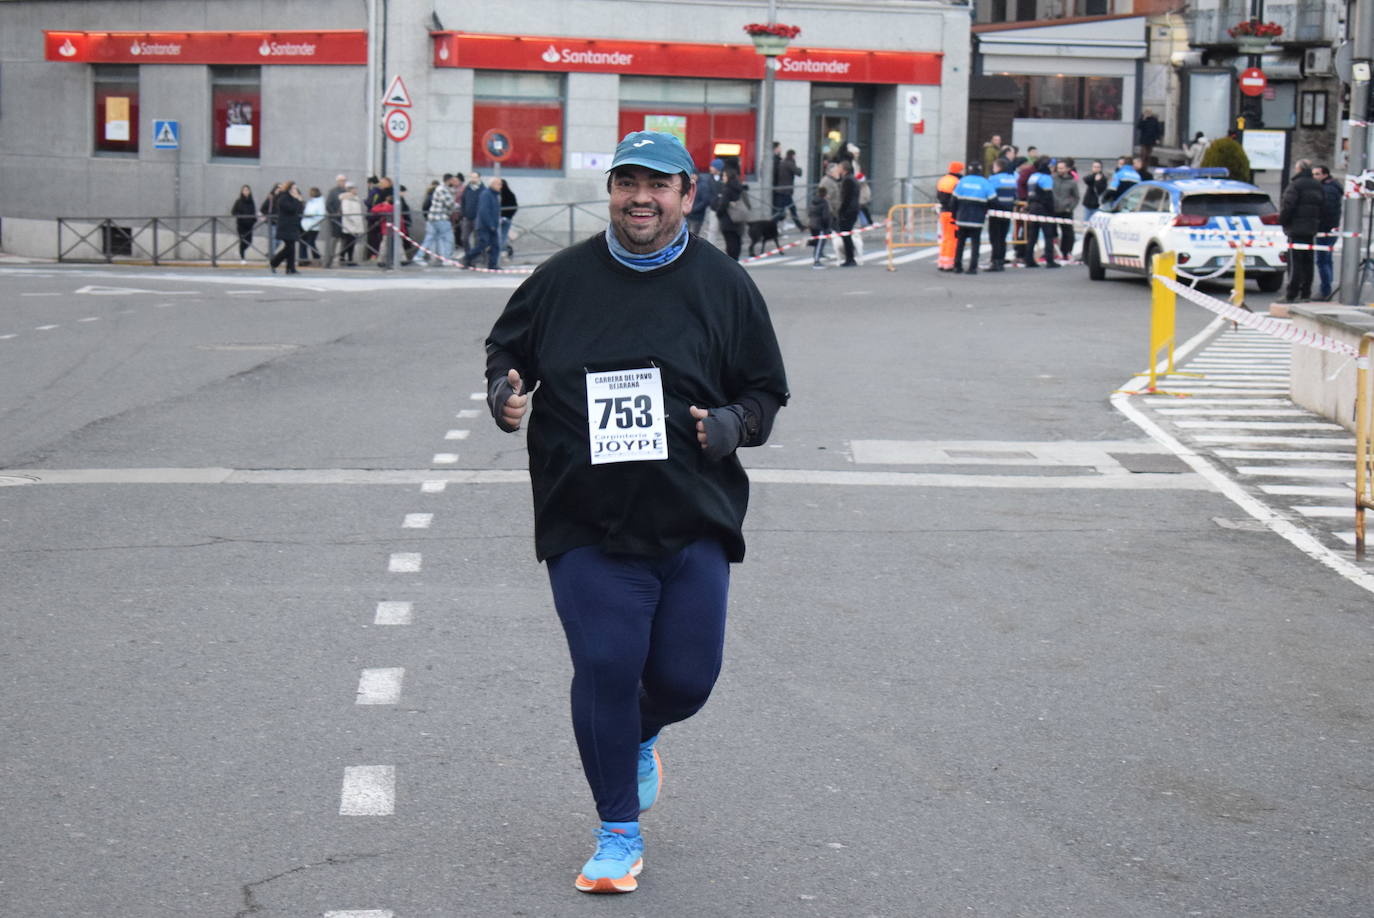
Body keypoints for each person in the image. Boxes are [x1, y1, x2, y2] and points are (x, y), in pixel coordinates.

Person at [483, 129, 789, 895]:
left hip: (692, 515)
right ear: (612, 192)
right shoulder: (560, 281)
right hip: (585, 519)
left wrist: (733, 425)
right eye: (627, 183)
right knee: (607, 667)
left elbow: (764, 392)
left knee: (687, 681)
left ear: (688, 194)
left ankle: (641, 732)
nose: (640, 198)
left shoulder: (723, 285)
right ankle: (617, 830)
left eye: (658, 184)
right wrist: (503, 394)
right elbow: (507, 353)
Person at [1279, 158, 1326, 303]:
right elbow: (1323, 207)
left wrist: (1283, 222)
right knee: (1308, 262)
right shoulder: (1317, 185)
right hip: (1311, 229)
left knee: (1295, 263)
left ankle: (1291, 294)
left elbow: (1288, 206)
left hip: (1296, 228)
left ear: (1299, 169)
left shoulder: (1295, 185)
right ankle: (1306, 293)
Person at [952, 163, 995, 275]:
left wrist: (954, 215)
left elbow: (954, 200)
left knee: (960, 243)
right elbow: (993, 200)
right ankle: (972, 267)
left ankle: (957, 266)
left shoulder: (962, 181)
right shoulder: (985, 182)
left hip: (962, 217)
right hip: (977, 219)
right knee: (975, 243)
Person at [1313, 164, 1342, 300]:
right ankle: (1326, 289)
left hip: (1325, 229)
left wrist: (1320, 225)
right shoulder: (1329, 187)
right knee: (1326, 260)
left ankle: (1325, 290)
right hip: (1330, 228)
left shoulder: (1328, 189)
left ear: (1325, 175)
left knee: (1322, 261)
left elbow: (1327, 210)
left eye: (1317, 174)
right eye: (1313, 174)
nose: (1314, 177)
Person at [1023, 158, 1058, 268]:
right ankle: (1050, 260)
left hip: (1033, 207)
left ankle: (1029, 259)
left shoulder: (1033, 176)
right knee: (1048, 235)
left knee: (1032, 235)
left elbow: (1029, 194)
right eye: (1051, 167)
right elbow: (1048, 197)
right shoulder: (1046, 178)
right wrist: (1052, 211)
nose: (1053, 169)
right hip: (1044, 209)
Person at [464, 176, 502, 270]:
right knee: (482, 245)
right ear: (492, 184)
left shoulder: (494, 195)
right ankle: (467, 258)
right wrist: (490, 224)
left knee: (495, 245)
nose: (500, 186)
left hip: (492, 225)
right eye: (499, 184)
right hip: (484, 225)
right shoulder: (486, 194)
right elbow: (484, 211)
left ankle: (492, 264)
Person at [987, 158, 1017, 271]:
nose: (993, 168)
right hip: (1008, 210)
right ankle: (1001, 260)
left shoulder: (994, 179)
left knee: (995, 237)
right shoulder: (1012, 178)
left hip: (996, 211)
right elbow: (1015, 195)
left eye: (994, 166)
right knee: (1003, 236)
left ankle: (995, 261)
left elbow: (989, 194)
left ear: (998, 167)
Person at [421, 173, 458, 265]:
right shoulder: (442, 189)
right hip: (440, 217)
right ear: (449, 180)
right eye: (453, 180)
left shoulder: (441, 189)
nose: (454, 182)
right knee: (448, 239)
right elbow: (450, 204)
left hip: (433, 218)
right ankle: (445, 259)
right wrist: (460, 206)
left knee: (434, 239)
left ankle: (433, 258)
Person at [267, 181, 303, 274]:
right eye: (294, 188)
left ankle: (290, 268)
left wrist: (299, 201)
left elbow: (300, 209)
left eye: (296, 188)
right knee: (289, 248)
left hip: (293, 226)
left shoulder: (293, 198)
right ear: (289, 189)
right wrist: (297, 200)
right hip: (285, 226)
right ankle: (274, 262)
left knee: (291, 247)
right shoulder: (283, 198)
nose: (295, 190)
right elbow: (291, 209)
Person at [935, 161, 962, 271]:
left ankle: (942, 262)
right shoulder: (957, 181)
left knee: (945, 238)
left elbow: (939, 195)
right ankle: (949, 263)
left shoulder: (943, 180)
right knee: (953, 239)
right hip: (952, 213)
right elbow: (957, 199)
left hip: (943, 212)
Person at [714, 164, 745, 261]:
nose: (723, 178)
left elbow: (723, 204)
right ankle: (736, 261)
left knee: (730, 243)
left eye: (724, 176)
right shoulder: (739, 188)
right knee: (737, 241)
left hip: (728, 220)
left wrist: (718, 213)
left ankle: (732, 263)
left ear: (729, 177)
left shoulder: (727, 189)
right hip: (739, 218)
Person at [1052, 160, 1080, 261]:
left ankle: (1066, 252)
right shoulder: (1052, 179)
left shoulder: (1072, 182)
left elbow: (1076, 197)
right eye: (1058, 168)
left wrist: (1070, 208)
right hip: (1053, 210)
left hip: (1066, 211)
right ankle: (1052, 253)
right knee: (1051, 232)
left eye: (1062, 168)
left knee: (1068, 233)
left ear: (1067, 169)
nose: (1060, 170)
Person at [835, 159, 861, 267]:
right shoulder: (852, 178)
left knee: (846, 235)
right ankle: (850, 257)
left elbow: (846, 198)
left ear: (843, 169)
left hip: (848, 211)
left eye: (839, 167)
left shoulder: (847, 180)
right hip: (853, 209)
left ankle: (850, 258)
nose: (837, 169)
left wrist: (841, 211)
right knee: (846, 235)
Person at [321, 174, 348, 268]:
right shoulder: (333, 192)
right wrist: (334, 214)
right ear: (338, 181)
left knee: (345, 240)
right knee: (334, 240)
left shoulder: (347, 191)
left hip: (346, 220)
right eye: (341, 180)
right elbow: (328, 205)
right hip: (336, 220)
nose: (343, 182)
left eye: (344, 180)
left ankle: (342, 259)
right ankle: (329, 261)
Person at [686, 161, 716, 236]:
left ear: (696, 175)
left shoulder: (703, 185)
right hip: (688, 215)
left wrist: (694, 209)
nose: (691, 177)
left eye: (692, 175)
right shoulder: (689, 184)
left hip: (697, 216)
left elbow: (705, 201)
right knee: (686, 233)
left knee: (694, 234)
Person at [338, 182, 364, 266]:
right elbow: (346, 212)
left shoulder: (355, 198)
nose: (356, 190)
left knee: (351, 242)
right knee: (349, 242)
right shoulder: (346, 199)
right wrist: (354, 221)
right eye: (354, 188)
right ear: (350, 190)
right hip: (350, 225)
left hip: (355, 225)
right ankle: (346, 259)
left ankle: (347, 258)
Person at [808, 183, 833, 269]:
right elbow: (825, 216)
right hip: (820, 225)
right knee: (819, 243)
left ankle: (816, 256)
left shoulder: (813, 202)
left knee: (816, 242)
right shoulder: (824, 203)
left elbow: (809, 213)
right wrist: (827, 226)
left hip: (812, 224)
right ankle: (816, 261)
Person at [459, 171, 483, 254]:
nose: (473, 179)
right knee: (464, 238)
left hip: (478, 218)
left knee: (477, 239)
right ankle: (468, 254)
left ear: (479, 178)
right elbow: (463, 201)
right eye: (472, 177)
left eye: (475, 177)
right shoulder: (467, 188)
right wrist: (463, 213)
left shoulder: (483, 190)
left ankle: (476, 255)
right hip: (467, 218)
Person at [299, 187, 325, 265]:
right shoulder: (311, 201)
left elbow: (321, 215)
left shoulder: (320, 202)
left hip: (313, 226)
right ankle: (303, 260)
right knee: (303, 243)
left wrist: (311, 216)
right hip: (305, 225)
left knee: (310, 243)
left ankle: (317, 259)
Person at [231, 185, 256, 263]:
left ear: (249, 191)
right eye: (244, 190)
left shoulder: (251, 201)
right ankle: (242, 258)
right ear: (242, 191)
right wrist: (240, 216)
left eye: (247, 190)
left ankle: (240, 251)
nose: (246, 191)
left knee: (249, 241)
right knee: (242, 241)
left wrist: (254, 220)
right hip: (241, 225)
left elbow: (253, 212)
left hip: (249, 225)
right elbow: (233, 212)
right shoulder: (238, 201)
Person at [497, 177, 519, 259]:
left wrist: (506, 217)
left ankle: (504, 252)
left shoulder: (509, 194)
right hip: (496, 220)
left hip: (505, 219)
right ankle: (504, 251)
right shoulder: (495, 195)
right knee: (498, 237)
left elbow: (514, 207)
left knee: (503, 237)